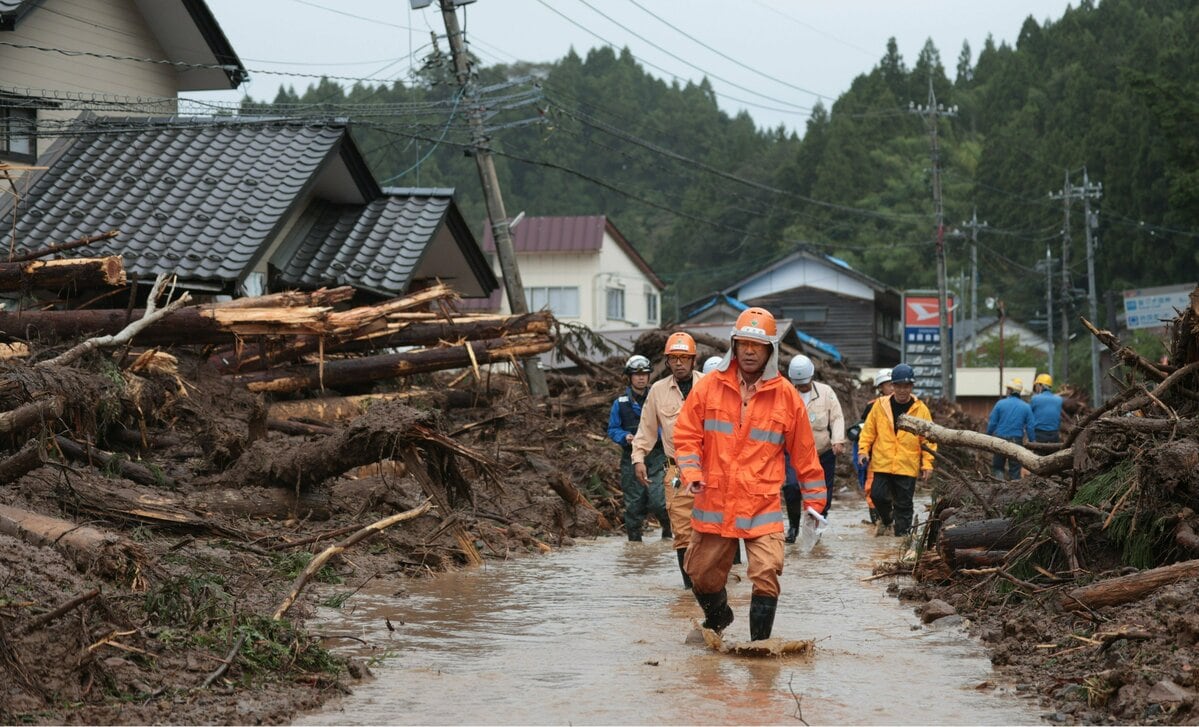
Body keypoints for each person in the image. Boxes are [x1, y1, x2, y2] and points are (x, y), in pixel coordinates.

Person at [674, 307, 827, 640]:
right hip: (713, 498)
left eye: (757, 345)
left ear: (770, 350)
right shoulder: (708, 387)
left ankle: (759, 653)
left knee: (767, 571)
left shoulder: (786, 396)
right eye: (743, 343)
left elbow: (805, 455)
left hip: (761, 502)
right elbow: (685, 435)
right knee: (700, 574)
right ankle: (718, 619)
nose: (749, 351)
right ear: (734, 344)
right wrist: (691, 470)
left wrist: (815, 504)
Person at [632, 332, 702, 587]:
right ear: (667, 361)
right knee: (683, 532)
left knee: (715, 530)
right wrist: (638, 458)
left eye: (685, 357)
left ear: (694, 360)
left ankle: (717, 582)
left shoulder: (710, 386)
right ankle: (689, 589)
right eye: (674, 358)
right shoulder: (658, 391)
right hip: (677, 472)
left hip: (711, 470)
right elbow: (647, 429)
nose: (679, 363)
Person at [856, 363, 934, 537]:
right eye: (899, 386)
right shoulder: (880, 405)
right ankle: (887, 519)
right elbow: (869, 430)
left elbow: (928, 439)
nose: (902, 390)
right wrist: (863, 450)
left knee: (904, 505)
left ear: (911, 386)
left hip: (907, 464)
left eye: (906, 386)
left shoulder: (921, 410)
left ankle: (901, 541)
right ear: (892, 386)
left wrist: (927, 464)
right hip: (882, 462)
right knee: (877, 495)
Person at [782, 355, 845, 542]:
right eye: (798, 383)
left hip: (822, 452)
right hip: (794, 453)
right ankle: (794, 526)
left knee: (822, 493)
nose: (802, 387)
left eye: (805, 382)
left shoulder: (826, 392)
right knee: (792, 487)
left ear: (811, 376)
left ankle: (815, 529)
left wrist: (838, 440)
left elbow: (837, 417)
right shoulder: (786, 394)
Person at [607, 354, 668, 541]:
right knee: (633, 505)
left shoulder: (659, 397)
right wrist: (625, 437)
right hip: (630, 459)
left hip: (657, 456)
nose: (641, 377)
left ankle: (669, 533)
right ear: (629, 376)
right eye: (636, 374)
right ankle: (635, 544)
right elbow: (613, 428)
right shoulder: (620, 403)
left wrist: (651, 437)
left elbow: (669, 423)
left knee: (660, 501)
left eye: (644, 374)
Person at [853, 369, 893, 524]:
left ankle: (891, 521)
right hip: (876, 456)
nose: (892, 388)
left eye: (893, 384)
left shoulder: (906, 405)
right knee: (871, 489)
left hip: (898, 456)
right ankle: (877, 522)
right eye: (889, 385)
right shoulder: (872, 406)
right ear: (880, 387)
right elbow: (865, 430)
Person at [986, 378, 1035, 480]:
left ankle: (997, 486)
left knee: (998, 467)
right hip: (1016, 441)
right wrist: (1032, 442)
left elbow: (992, 423)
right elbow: (1030, 426)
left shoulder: (1000, 404)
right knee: (1015, 469)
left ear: (1010, 390)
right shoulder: (1026, 407)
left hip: (1000, 440)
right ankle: (1015, 491)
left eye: (1008, 388)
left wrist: (988, 435)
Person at [1029, 373, 1064, 443]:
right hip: (1054, 436)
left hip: (1039, 435)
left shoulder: (1035, 398)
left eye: (1036, 385)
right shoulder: (1059, 399)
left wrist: (1032, 439)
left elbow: (1030, 419)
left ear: (1040, 385)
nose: (1035, 388)